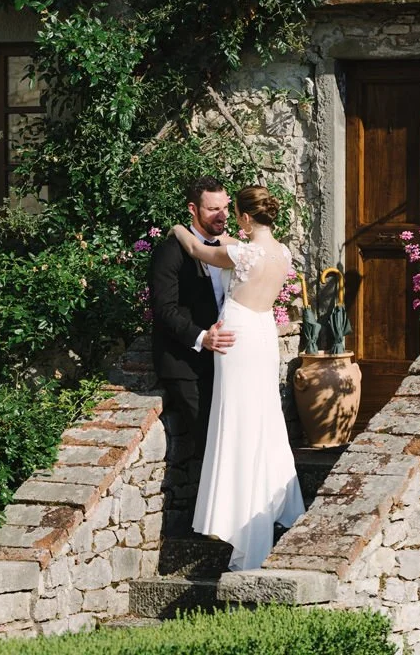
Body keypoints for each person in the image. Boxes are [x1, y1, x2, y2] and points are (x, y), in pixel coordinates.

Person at [169, 185, 305, 572]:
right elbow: (236, 245)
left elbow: (198, 249)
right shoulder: (281, 252)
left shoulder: (240, 253)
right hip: (263, 335)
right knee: (261, 417)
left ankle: (238, 517)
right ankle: (269, 501)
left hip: (238, 337)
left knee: (237, 421)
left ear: (245, 217)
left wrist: (178, 228)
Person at [148, 177, 236, 462]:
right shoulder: (170, 251)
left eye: (225, 208)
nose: (221, 216)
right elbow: (164, 310)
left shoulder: (227, 248)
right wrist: (202, 338)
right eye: (212, 209)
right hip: (185, 364)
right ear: (193, 209)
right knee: (209, 443)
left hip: (224, 361)